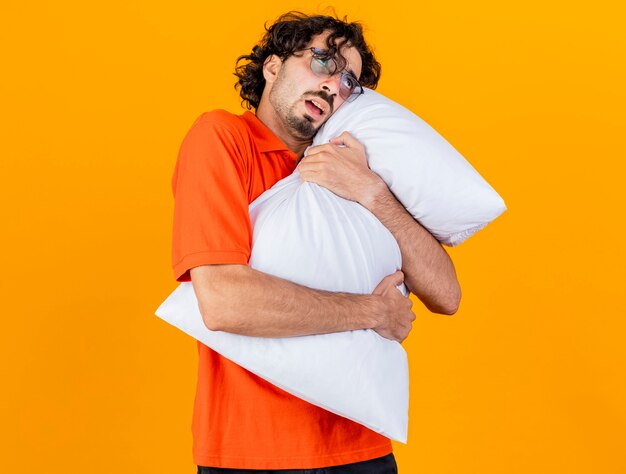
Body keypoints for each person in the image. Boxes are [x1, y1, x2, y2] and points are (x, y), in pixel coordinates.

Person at [170, 11, 461, 474]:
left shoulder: (357, 165)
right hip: (253, 451)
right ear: (272, 66)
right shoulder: (223, 138)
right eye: (323, 61)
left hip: (362, 445)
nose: (334, 85)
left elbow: (447, 295)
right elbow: (224, 302)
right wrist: (374, 312)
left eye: (350, 81)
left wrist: (372, 193)